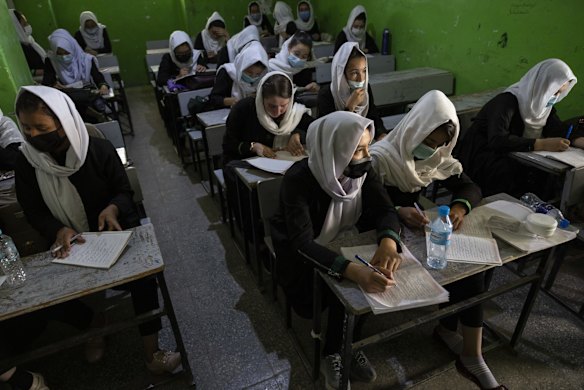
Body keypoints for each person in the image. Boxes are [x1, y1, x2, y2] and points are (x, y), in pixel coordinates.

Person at [13, 86, 182, 376]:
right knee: (42, 295)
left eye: (41, 127)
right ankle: (92, 323)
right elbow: (34, 212)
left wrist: (113, 208)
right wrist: (58, 229)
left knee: (143, 279)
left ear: (64, 124)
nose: (32, 136)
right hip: (64, 241)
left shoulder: (98, 150)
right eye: (26, 128)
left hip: (109, 234)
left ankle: (152, 351)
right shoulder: (27, 162)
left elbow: (124, 191)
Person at [370, 90, 507, 390]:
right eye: (426, 142)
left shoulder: (435, 158)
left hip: (412, 229)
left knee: (471, 268)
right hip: (376, 233)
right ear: (414, 127)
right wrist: (397, 210)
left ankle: (467, 350)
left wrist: (460, 207)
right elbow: (364, 207)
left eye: (436, 146)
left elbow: (470, 187)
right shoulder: (380, 158)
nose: (429, 151)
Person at [270, 111, 402, 389]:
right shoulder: (299, 179)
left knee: (372, 278)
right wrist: (351, 270)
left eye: (367, 147)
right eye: (358, 150)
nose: (367, 156)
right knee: (351, 283)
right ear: (336, 149)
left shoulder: (363, 171)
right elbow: (302, 243)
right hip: (300, 255)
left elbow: (385, 209)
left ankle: (346, 343)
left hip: (345, 242)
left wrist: (389, 241)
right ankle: (335, 350)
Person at [455, 58, 583, 198]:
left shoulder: (544, 107)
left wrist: (577, 141)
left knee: (542, 175)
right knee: (510, 172)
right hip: (482, 155)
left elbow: (557, 129)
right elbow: (497, 140)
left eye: (560, 93)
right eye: (555, 92)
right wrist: (541, 144)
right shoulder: (506, 101)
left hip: (513, 155)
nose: (556, 97)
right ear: (543, 85)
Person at [318, 42, 387, 138]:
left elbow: (373, 116)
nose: (361, 78)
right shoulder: (326, 94)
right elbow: (331, 133)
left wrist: (381, 134)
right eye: (355, 73)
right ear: (341, 74)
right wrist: (350, 107)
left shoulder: (366, 89)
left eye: (364, 71)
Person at [42, 29, 110, 122]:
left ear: (72, 48)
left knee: (78, 101)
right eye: (59, 54)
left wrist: (103, 85)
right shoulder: (51, 61)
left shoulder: (86, 60)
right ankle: (96, 116)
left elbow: (97, 77)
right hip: (66, 99)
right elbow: (47, 82)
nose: (63, 56)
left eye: (66, 52)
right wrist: (55, 86)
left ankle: (95, 117)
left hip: (85, 94)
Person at [210, 42, 268, 108]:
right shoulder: (228, 72)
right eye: (249, 72)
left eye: (258, 74)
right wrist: (231, 101)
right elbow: (214, 99)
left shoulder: (261, 78)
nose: (253, 77)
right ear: (241, 66)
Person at [9, 9, 47, 76]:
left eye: (27, 23)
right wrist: (39, 72)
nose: (28, 26)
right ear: (16, 26)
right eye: (24, 24)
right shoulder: (17, 48)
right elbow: (22, 70)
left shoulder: (29, 40)